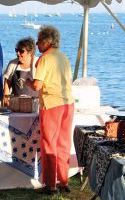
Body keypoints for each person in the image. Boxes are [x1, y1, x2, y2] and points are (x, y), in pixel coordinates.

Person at [28, 25, 74, 194]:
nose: (37, 44)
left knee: (49, 144)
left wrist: (27, 82)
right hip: (68, 103)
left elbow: (37, 85)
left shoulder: (44, 59)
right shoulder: (63, 57)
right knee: (63, 143)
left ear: (47, 42)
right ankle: (63, 181)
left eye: (39, 41)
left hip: (52, 104)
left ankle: (50, 184)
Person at [2, 37, 38, 107]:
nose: (18, 53)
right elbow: (7, 82)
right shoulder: (12, 63)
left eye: (21, 51)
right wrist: (6, 97)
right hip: (16, 104)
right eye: (16, 50)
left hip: (34, 104)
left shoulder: (38, 63)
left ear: (30, 52)